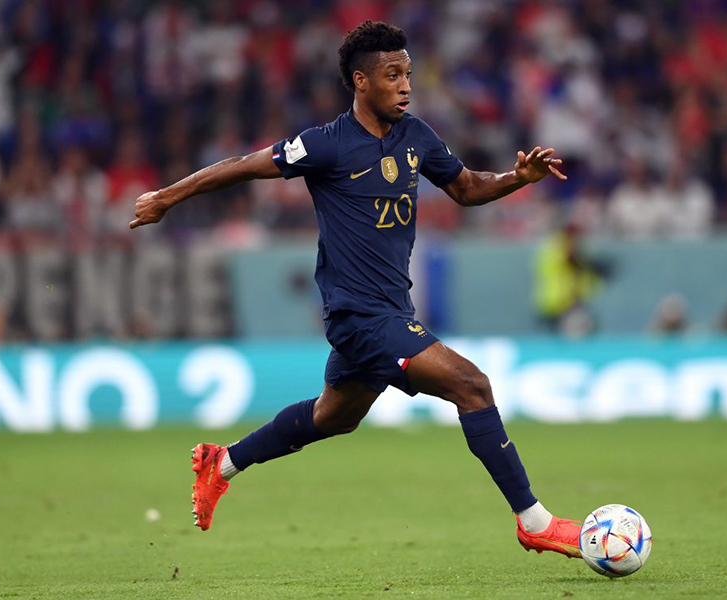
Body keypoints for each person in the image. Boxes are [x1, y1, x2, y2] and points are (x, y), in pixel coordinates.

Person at [130, 21, 579, 559]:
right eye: (393, 75)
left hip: (391, 308)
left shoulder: (416, 136)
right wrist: (166, 198)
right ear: (361, 82)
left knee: (334, 417)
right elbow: (241, 167)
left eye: (408, 74)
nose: (406, 86)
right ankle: (534, 521)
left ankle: (220, 463)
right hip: (359, 317)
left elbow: (464, 187)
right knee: (473, 386)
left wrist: (516, 179)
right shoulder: (325, 144)